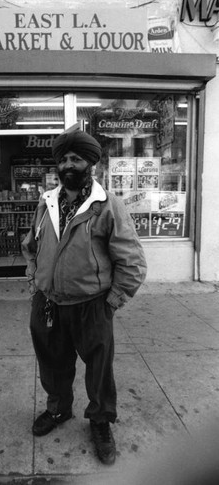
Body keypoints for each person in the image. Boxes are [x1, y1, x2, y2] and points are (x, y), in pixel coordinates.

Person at [21, 128, 147, 465]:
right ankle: (59, 410)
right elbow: (30, 246)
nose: (68, 165)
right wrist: (35, 278)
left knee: (99, 370)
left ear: (90, 163)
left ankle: (101, 421)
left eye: (75, 158)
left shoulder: (107, 206)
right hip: (48, 303)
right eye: (63, 159)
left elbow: (131, 260)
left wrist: (114, 300)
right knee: (53, 364)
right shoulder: (46, 202)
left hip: (92, 305)